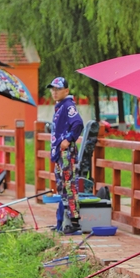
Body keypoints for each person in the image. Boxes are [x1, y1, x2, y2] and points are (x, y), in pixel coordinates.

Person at [49, 77, 84, 235]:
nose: (54, 92)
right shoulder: (59, 106)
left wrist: (68, 139)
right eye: (53, 89)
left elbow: (78, 123)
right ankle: (62, 222)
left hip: (65, 153)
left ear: (66, 91)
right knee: (62, 186)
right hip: (59, 153)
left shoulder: (68, 105)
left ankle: (74, 221)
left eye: (58, 89)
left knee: (69, 185)